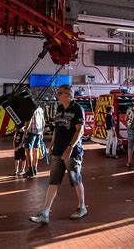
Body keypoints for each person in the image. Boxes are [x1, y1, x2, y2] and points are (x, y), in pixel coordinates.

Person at [29, 85, 87, 225]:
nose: (58, 95)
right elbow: (57, 128)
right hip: (58, 151)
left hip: (72, 152)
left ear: (68, 95)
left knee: (76, 180)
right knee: (53, 181)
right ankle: (45, 213)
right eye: (58, 93)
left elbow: (80, 131)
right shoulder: (60, 108)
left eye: (60, 93)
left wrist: (70, 148)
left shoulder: (77, 109)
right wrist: (52, 144)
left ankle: (82, 207)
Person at [22, 105, 45, 179]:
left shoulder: (30, 108)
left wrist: (25, 132)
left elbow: (29, 120)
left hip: (31, 132)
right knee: (36, 149)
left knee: (28, 150)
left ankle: (30, 169)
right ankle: (35, 168)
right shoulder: (40, 109)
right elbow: (43, 122)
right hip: (38, 132)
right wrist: (42, 133)